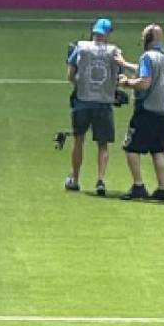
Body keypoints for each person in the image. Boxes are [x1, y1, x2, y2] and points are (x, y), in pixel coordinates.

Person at [65, 17, 129, 197]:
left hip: (82, 101)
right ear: (107, 33)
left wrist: (81, 85)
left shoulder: (80, 47)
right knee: (103, 144)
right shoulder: (114, 51)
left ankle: (75, 179)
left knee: (79, 140)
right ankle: (100, 179)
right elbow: (120, 75)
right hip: (104, 103)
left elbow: (70, 75)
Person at [120, 23, 164, 201]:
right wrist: (125, 64)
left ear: (147, 39)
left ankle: (138, 186)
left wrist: (127, 83)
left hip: (148, 109)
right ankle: (162, 189)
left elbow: (145, 82)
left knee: (131, 147)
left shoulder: (147, 57)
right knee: (158, 150)